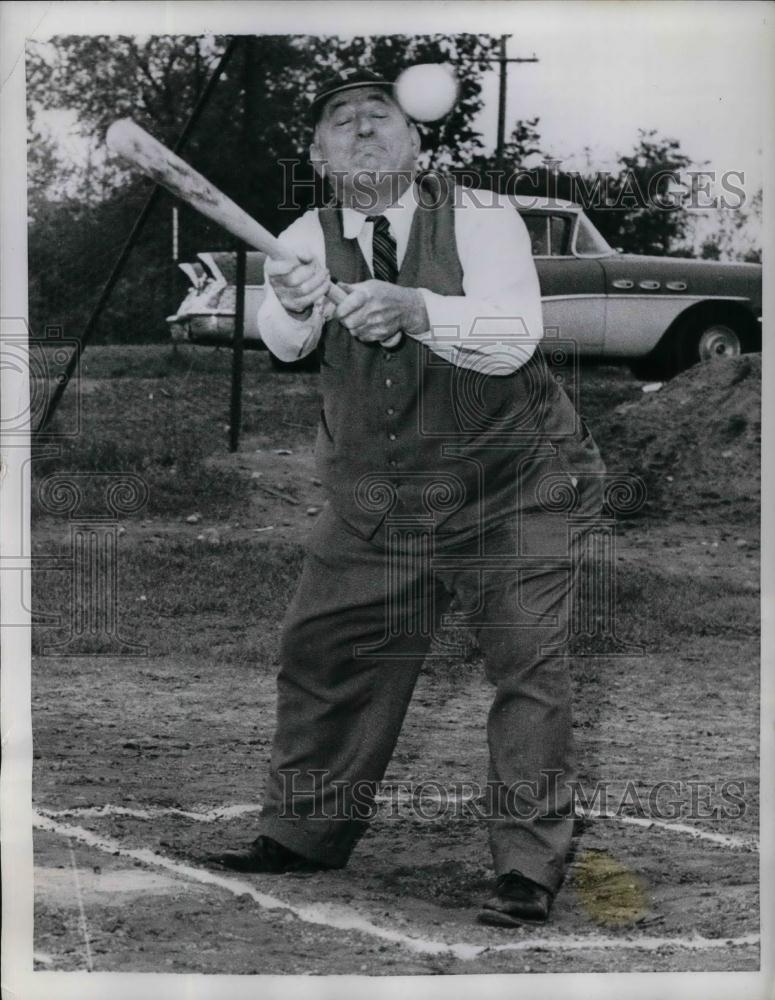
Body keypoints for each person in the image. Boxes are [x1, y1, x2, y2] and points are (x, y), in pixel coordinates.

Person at [207, 68, 606, 928]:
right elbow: (281, 344)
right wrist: (286, 301)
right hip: (377, 496)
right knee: (324, 649)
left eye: (376, 116)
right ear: (317, 155)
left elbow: (510, 337)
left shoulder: (484, 217)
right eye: (338, 121)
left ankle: (525, 870)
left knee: (524, 663)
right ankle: (303, 833)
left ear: (416, 142)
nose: (359, 129)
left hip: (514, 486)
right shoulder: (303, 235)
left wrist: (417, 308)